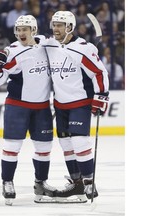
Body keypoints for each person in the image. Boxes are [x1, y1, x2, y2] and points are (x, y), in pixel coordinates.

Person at [0, 15, 56, 205]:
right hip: (17, 107)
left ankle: (41, 183)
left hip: (42, 107)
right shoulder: (12, 52)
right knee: (11, 147)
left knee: (44, 148)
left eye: (24, 29)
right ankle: (7, 182)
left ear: (33, 30)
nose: (20, 33)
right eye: (18, 29)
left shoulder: (45, 44)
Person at [45, 11, 110, 202]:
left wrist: (101, 96)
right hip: (60, 104)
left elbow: (99, 72)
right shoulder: (50, 45)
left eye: (60, 25)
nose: (56, 28)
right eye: (54, 24)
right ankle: (77, 183)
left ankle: (89, 183)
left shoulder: (83, 48)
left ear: (70, 28)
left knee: (80, 142)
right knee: (66, 144)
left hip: (80, 103)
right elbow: (35, 42)